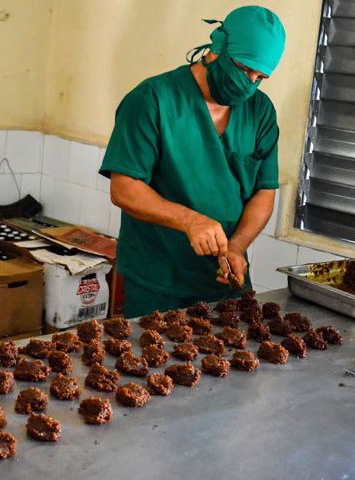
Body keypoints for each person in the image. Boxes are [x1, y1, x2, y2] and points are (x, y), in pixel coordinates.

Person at [99, 6, 286, 318]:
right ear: (218, 46)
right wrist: (189, 220)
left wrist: (237, 246)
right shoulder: (152, 100)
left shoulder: (260, 111)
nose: (249, 84)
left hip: (226, 282)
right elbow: (124, 189)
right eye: (243, 70)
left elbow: (264, 192)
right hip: (158, 282)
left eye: (260, 78)